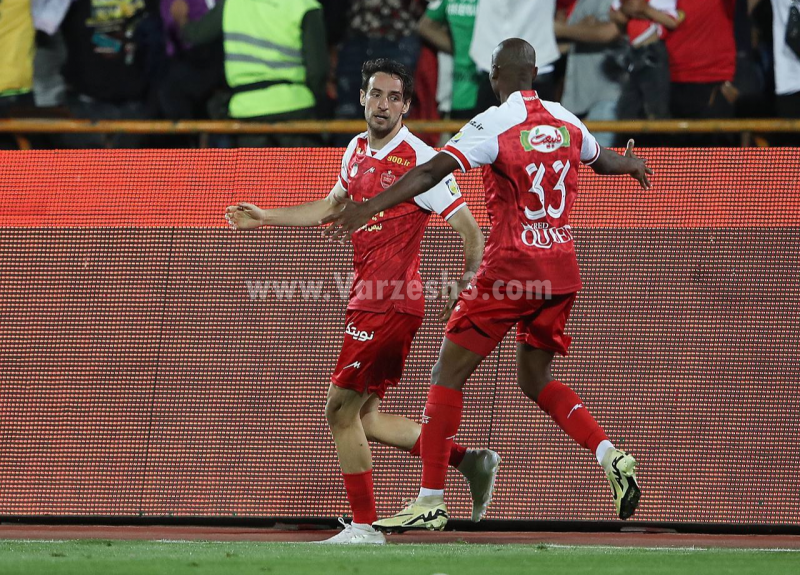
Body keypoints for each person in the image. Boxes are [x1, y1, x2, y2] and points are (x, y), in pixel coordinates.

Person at [322, 39, 652, 531]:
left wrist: (370, 205)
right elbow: (600, 158)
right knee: (534, 379)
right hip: (561, 271)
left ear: (496, 74)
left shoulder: (494, 123)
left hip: (510, 270)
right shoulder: (566, 118)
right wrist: (632, 165)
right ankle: (609, 454)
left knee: (445, 374)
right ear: (535, 72)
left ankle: (430, 498)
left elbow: (434, 169)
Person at [225, 59, 499, 544]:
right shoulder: (354, 149)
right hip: (368, 301)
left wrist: (466, 282)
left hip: (389, 303)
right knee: (365, 418)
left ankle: (366, 528)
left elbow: (472, 232)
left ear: (407, 106)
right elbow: (331, 207)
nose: (383, 105)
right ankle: (467, 461)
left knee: (338, 412)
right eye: (376, 94)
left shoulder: (421, 159)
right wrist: (265, 216)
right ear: (362, 98)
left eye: (394, 98)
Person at [174, 0, 328, 147]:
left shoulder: (232, 3)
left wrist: (181, 19)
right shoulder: (304, 5)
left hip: (247, 111)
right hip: (295, 108)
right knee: (303, 174)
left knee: (256, 174)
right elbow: (318, 70)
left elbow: (196, 35)